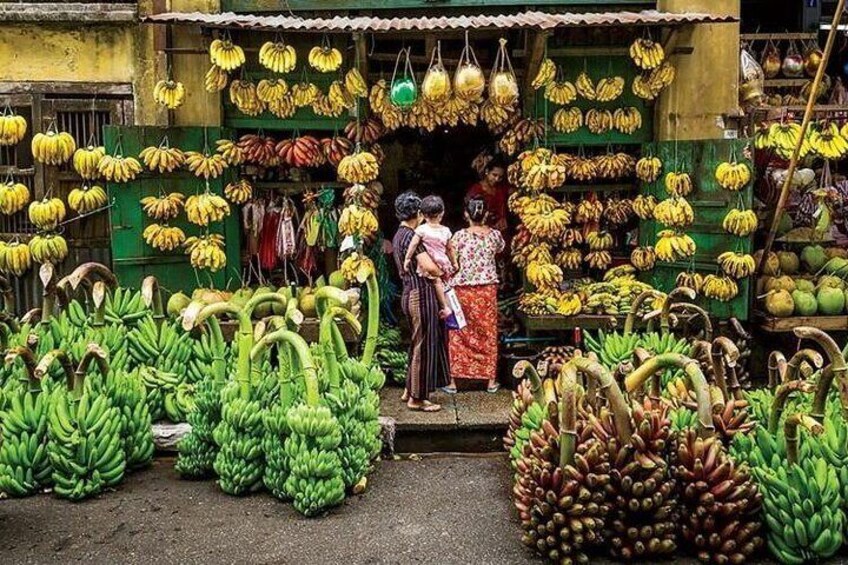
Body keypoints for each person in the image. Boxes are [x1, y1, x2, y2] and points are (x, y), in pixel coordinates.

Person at [391, 191, 450, 412]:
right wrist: (441, 271)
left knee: (416, 343)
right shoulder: (412, 237)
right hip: (420, 294)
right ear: (418, 213)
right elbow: (430, 267)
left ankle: (410, 389)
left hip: (409, 293)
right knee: (423, 345)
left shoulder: (399, 234)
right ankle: (417, 398)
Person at [443, 196, 505, 394]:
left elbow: (451, 259)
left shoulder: (459, 236)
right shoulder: (495, 236)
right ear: (486, 214)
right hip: (486, 291)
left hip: (463, 290)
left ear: (465, 215)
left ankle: (454, 382)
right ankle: (490, 381)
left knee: (459, 332)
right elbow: (500, 249)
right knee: (487, 332)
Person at [402, 195, 457, 319]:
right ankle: (451, 307)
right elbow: (450, 249)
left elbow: (413, 245)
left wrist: (407, 258)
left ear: (422, 214)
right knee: (447, 283)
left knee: (437, 282)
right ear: (442, 213)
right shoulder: (446, 231)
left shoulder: (421, 230)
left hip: (431, 260)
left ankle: (444, 307)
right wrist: (454, 263)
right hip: (442, 260)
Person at [466, 159, 509, 233]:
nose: (497, 179)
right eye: (494, 175)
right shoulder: (476, 190)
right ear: (487, 172)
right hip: (482, 231)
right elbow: (470, 214)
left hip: (501, 231)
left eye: (500, 177)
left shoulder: (501, 188)